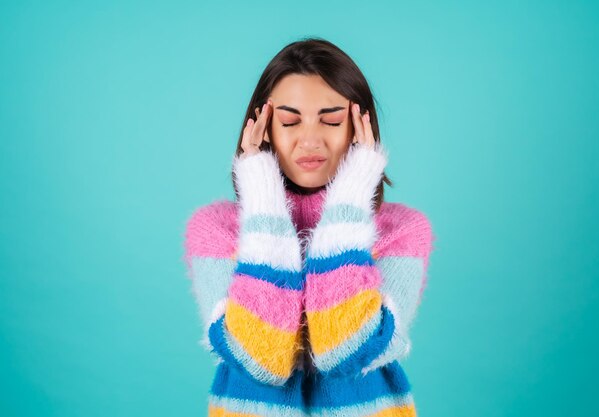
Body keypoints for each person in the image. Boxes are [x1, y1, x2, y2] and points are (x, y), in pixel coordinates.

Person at [183, 38, 435, 417]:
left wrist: (353, 195)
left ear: (358, 126)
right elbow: (261, 358)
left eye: (332, 120)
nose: (311, 140)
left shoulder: (402, 232)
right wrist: (262, 193)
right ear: (263, 127)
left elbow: (344, 350)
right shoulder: (215, 231)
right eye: (289, 120)